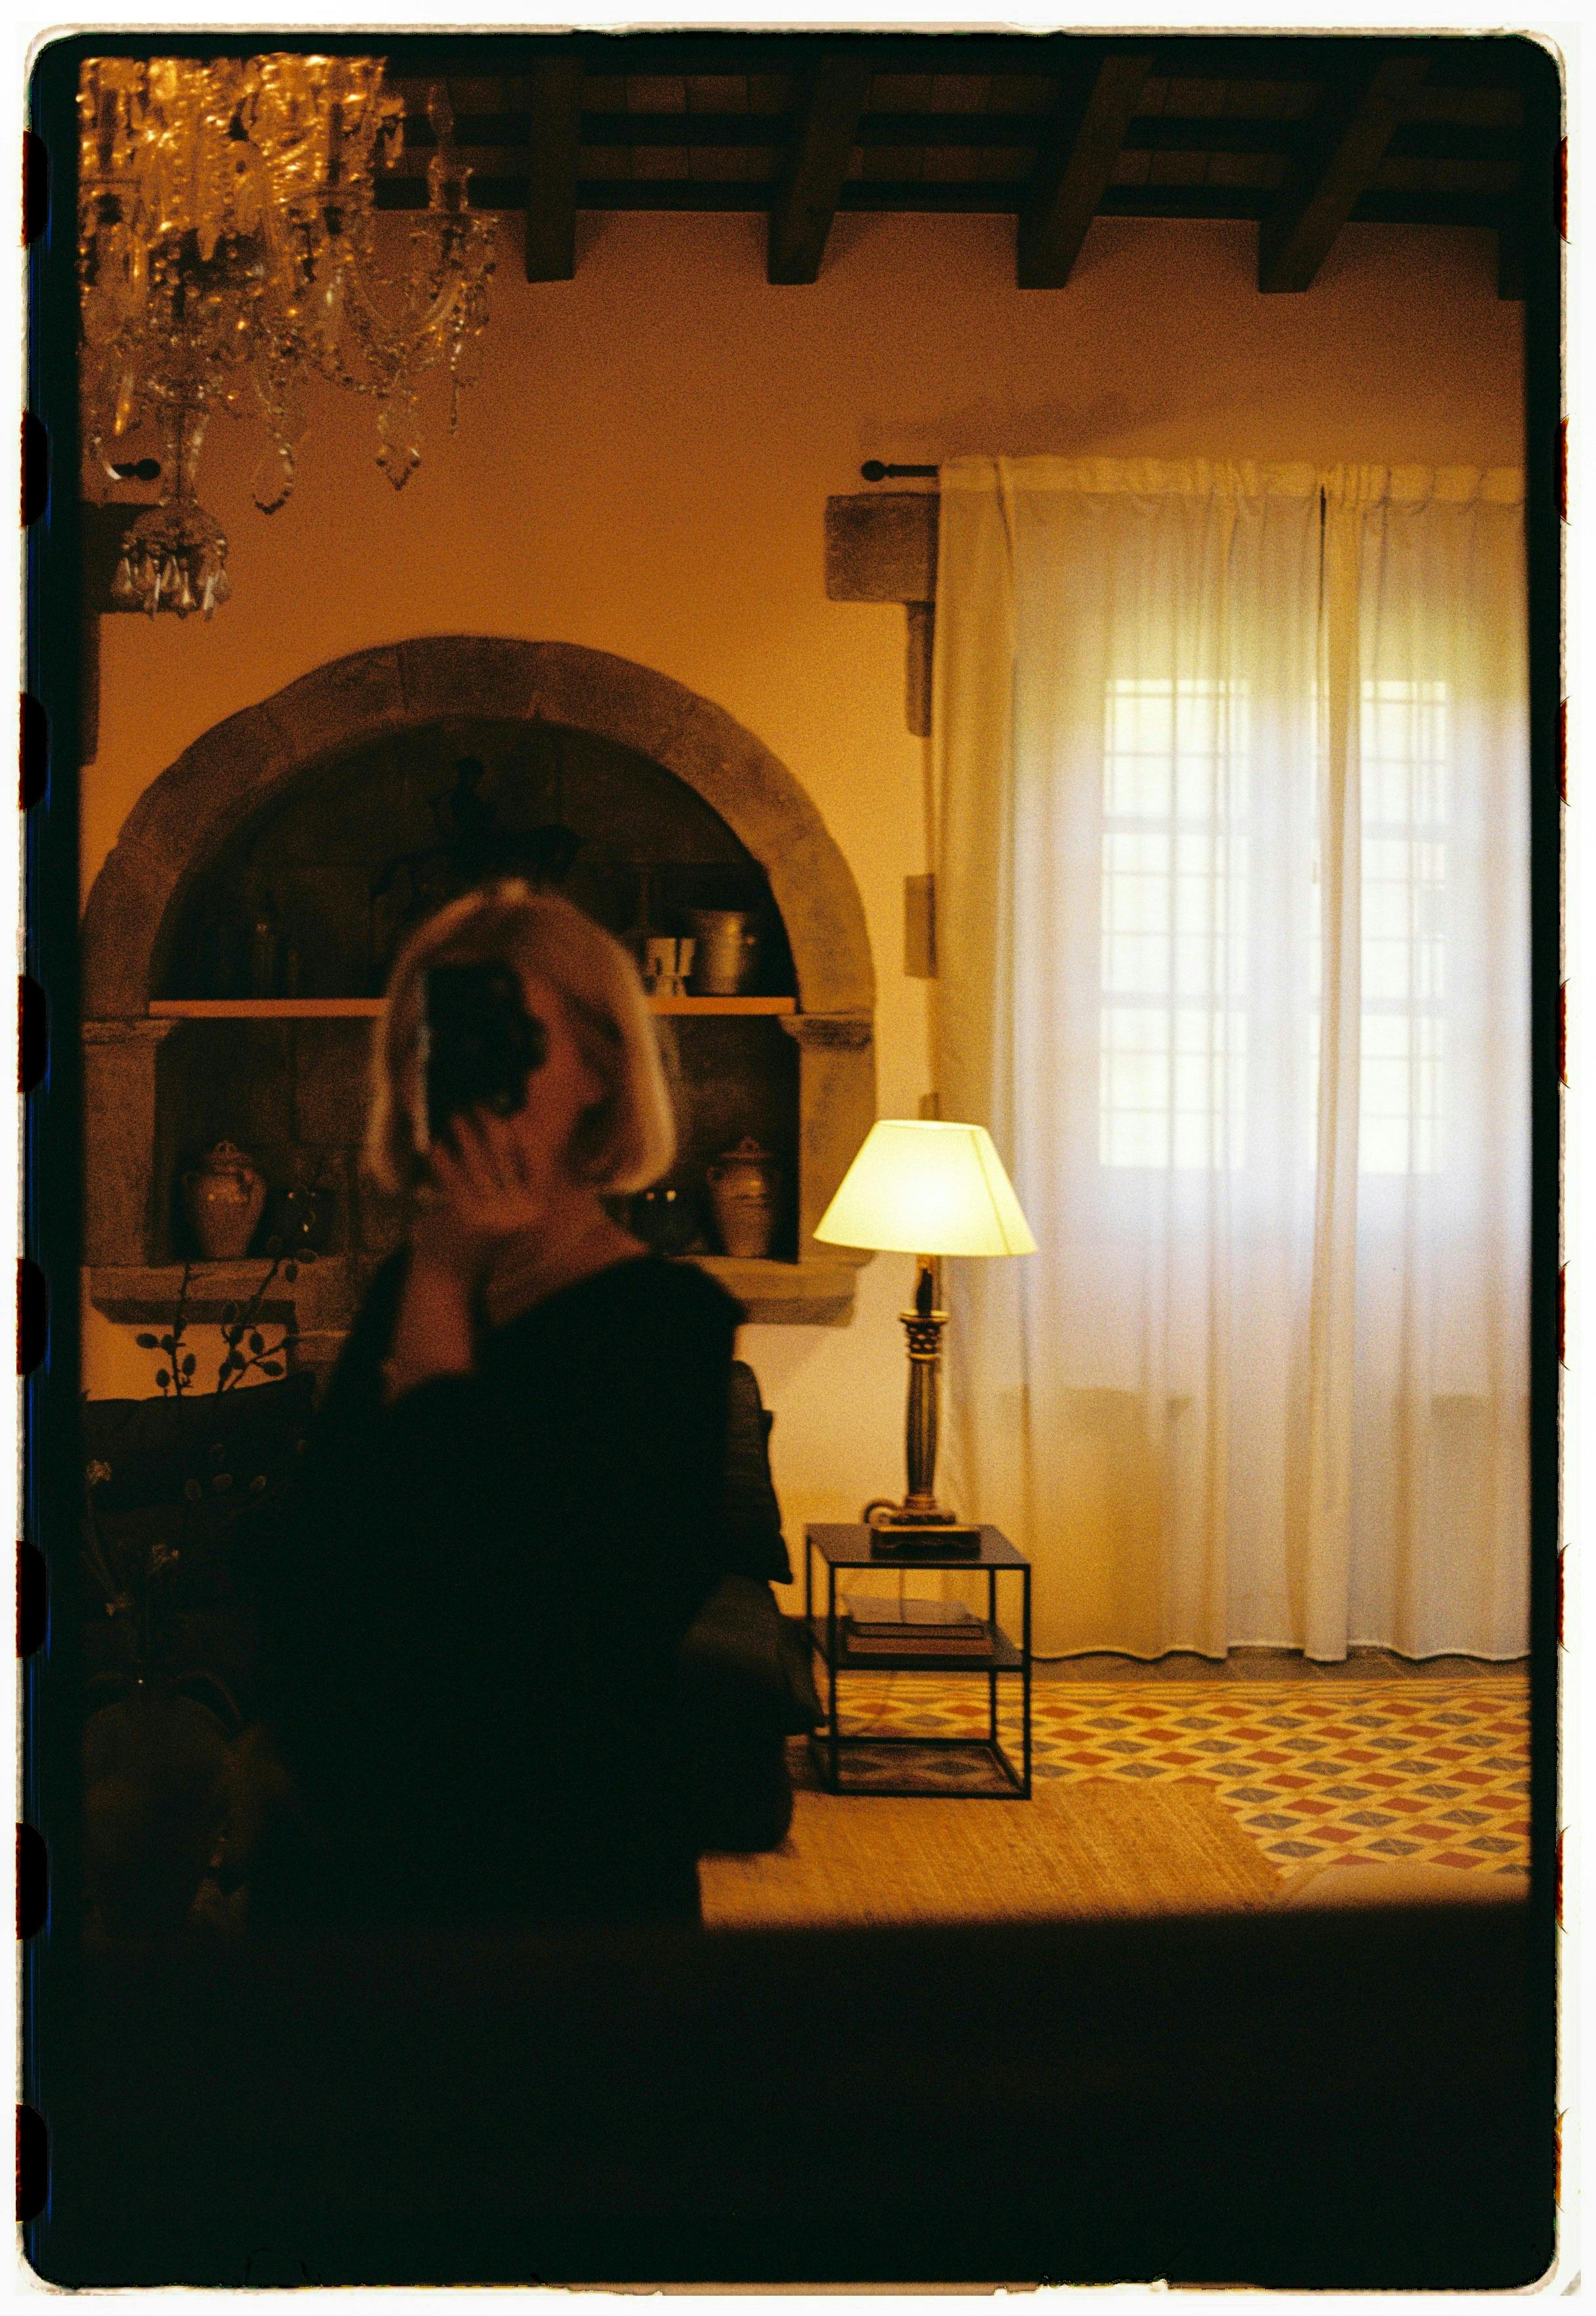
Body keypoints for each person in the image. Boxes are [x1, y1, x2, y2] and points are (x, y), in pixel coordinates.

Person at [257, 884, 743, 1926]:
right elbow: (320, 1570)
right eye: (440, 1042)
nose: (472, 1081)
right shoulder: (403, 1282)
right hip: (359, 1872)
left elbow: (536, 1634)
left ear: (603, 1071)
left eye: (508, 1039)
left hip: (556, 1892)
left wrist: (439, 1299)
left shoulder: (668, 1323)